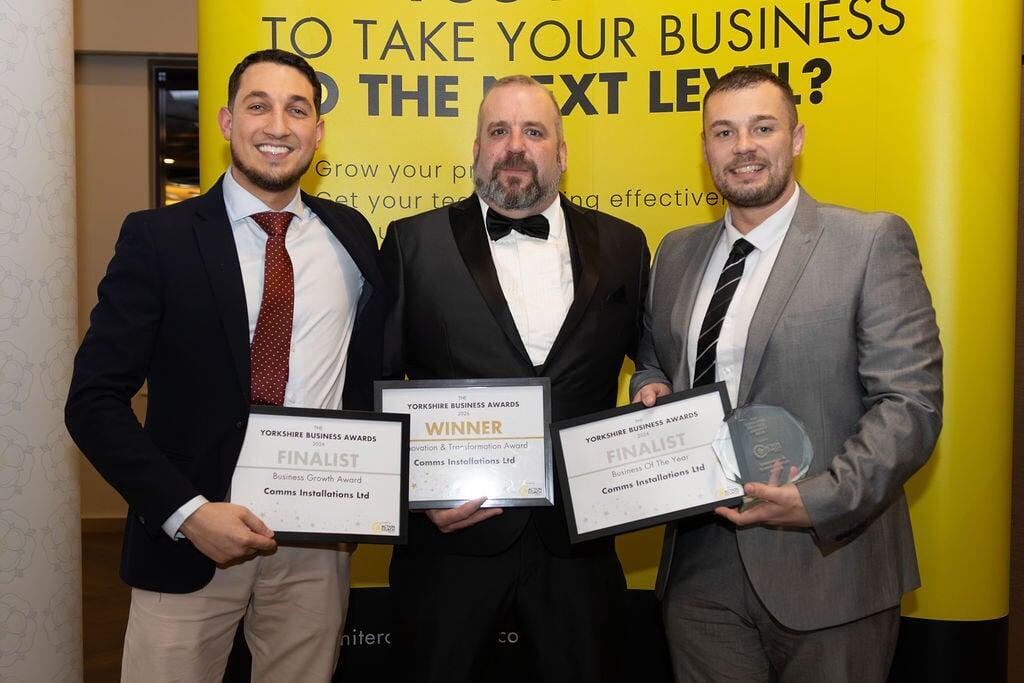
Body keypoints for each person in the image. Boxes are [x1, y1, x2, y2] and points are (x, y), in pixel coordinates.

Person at [65, 48, 384, 682]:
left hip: (315, 541)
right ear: (226, 121)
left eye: (297, 110)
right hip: (191, 538)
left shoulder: (352, 236)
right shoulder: (158, 238)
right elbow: (93, 402)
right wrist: (187, 512)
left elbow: (369, 375)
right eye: (258, 106)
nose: (278, 126)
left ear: (318, 130)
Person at [631, 66, 943, 681]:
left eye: (763, 128)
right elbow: (654, 354)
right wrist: (650, 385)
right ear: (705, 148)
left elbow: (910, 403)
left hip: (830, 563)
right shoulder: (675, 252)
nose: (742, 146)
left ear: (796, 138)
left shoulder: (869, 242)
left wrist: (819, 500)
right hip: (700, 570)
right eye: (724, 132)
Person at [381, 75, 650, 682]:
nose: (516, 146)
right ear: (476, 148)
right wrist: (414, 495)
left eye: (534, 131)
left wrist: (649, 386)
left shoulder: (625, 245)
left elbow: (654, 358)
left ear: (562, 152)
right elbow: (374, 381)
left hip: (579, 541)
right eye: (499, 130)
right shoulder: (411, 243)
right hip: (452, 542)